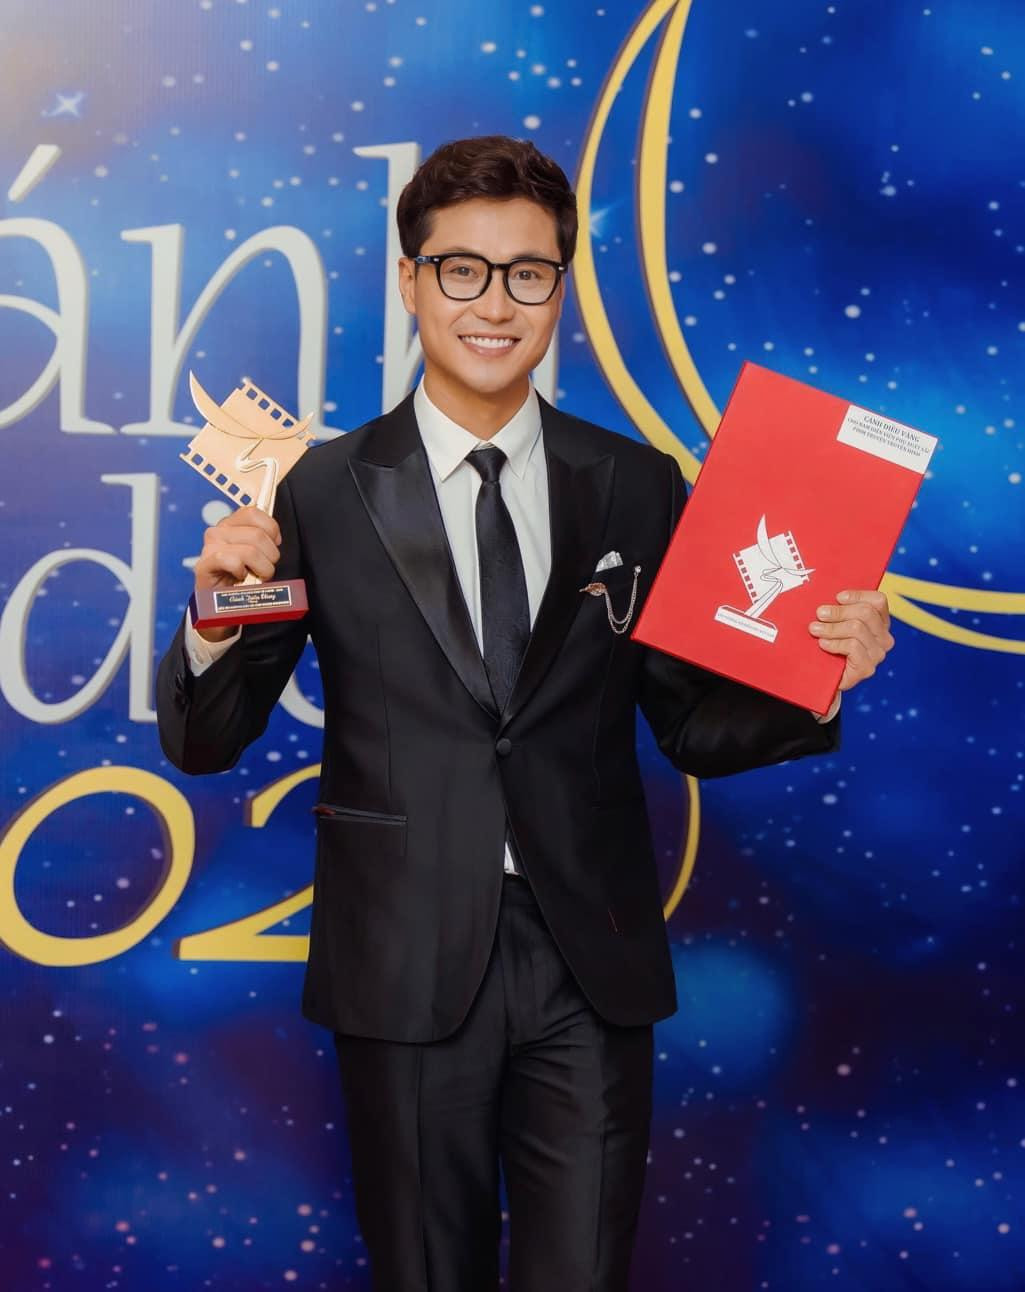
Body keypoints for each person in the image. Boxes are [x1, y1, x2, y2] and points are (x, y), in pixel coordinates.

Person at [156, 135, 894, 1292]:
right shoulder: (321, 489)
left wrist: (820, 673)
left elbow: (689, 724)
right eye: (461, 270)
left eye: (527, 272)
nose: (493, 303)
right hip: (402, 954)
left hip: (587, 956)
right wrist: (213, 616)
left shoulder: (636, 483)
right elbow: (205, 740)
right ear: (410, 281)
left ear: (561, 288)